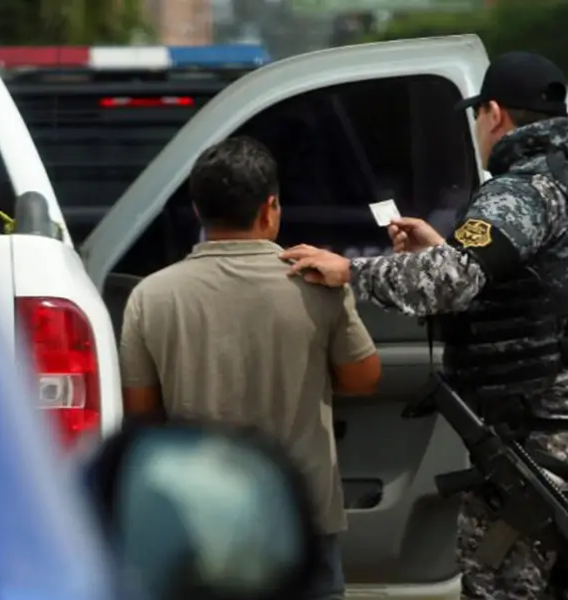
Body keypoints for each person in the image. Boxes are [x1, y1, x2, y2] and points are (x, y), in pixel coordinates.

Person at [280, 52, 568, 600]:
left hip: (543, 444)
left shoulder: (523, 188)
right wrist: (444, 248)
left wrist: (349, 271)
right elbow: (548, 287)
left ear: (494, 114)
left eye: (478, 117)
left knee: (500, 586)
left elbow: (448, 281)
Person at [116, 136, 382, 600]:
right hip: (301, 516)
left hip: (195, 522)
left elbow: (141, 411)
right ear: (270, 208)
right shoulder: (316, 284)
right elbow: (363, 378)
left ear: (198, 211)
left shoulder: (150, 295)